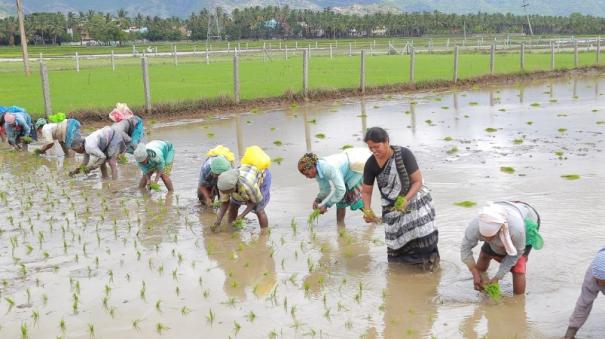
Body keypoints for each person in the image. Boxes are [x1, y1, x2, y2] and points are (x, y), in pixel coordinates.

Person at [361, 127, 438, 269]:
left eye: (377, 146)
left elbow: (417, 181)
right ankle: (402, 271)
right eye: (370, 148)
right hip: (392, 207)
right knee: (396, 246)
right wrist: (367, 209)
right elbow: (366, 191)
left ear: (387, 142)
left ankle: (428, 269)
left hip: (414, 199)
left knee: (420, 235)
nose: (374, 151)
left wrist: (405, 200)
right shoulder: (371, 164)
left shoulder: (404, 155)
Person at [460, 201, 541, 295]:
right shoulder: (475, 226)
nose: (487, 239)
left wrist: (497, 277)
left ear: (500, 230)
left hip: (527, 218)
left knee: (518, 266)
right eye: (484, 237)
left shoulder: (517, 230)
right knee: (486, 253)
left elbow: (516, 255)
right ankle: (481, 282)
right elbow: (465, 249)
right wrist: (474, 273)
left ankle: (518, 301)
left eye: (491, 237)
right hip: (503, 210)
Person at [298, 148, 370, 224]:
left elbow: (341, 190)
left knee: (355, 198)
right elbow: (325, 189)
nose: (306, 177)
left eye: (307, 174)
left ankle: (374, 219)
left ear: (312, 168)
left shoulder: (328, 168)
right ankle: (340, 226)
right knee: (340, 202)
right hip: (345, 173)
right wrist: (318, 200)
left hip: (354, 170)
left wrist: (326, 205)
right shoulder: (317, 171)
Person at [564, 247, 605, 339]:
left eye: (603, 282)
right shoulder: (593, 273)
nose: (600, 284)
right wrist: (571, 332)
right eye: (598, 281)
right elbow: (583, 304)